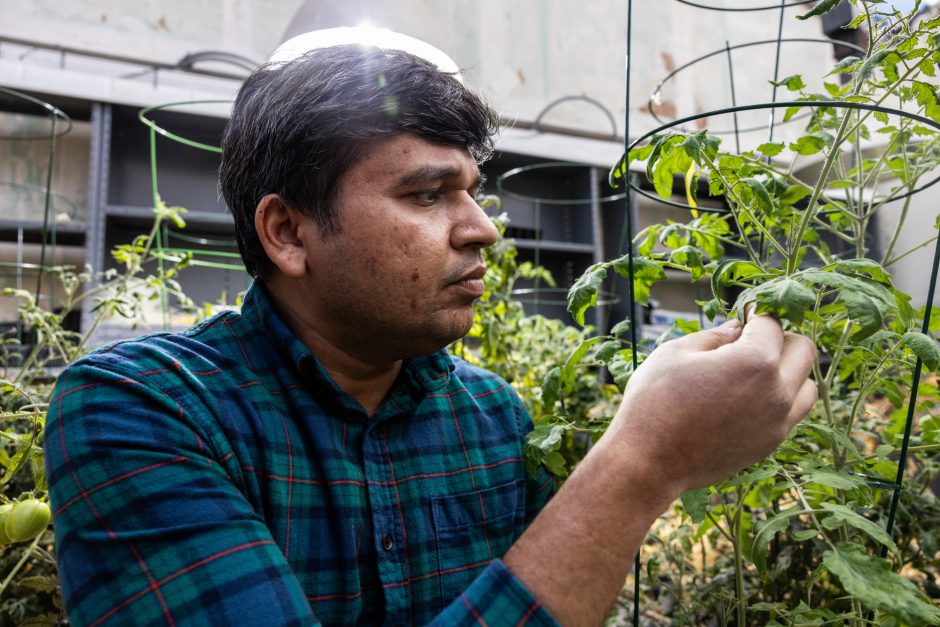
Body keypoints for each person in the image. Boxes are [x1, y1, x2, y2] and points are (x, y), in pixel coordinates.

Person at [44, 42, 817, 627]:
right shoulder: (140, 407)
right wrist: (644, 461)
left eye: (473, 193)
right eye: (424, 194)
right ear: (288, 231)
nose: (482, 230)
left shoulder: (494, 418)